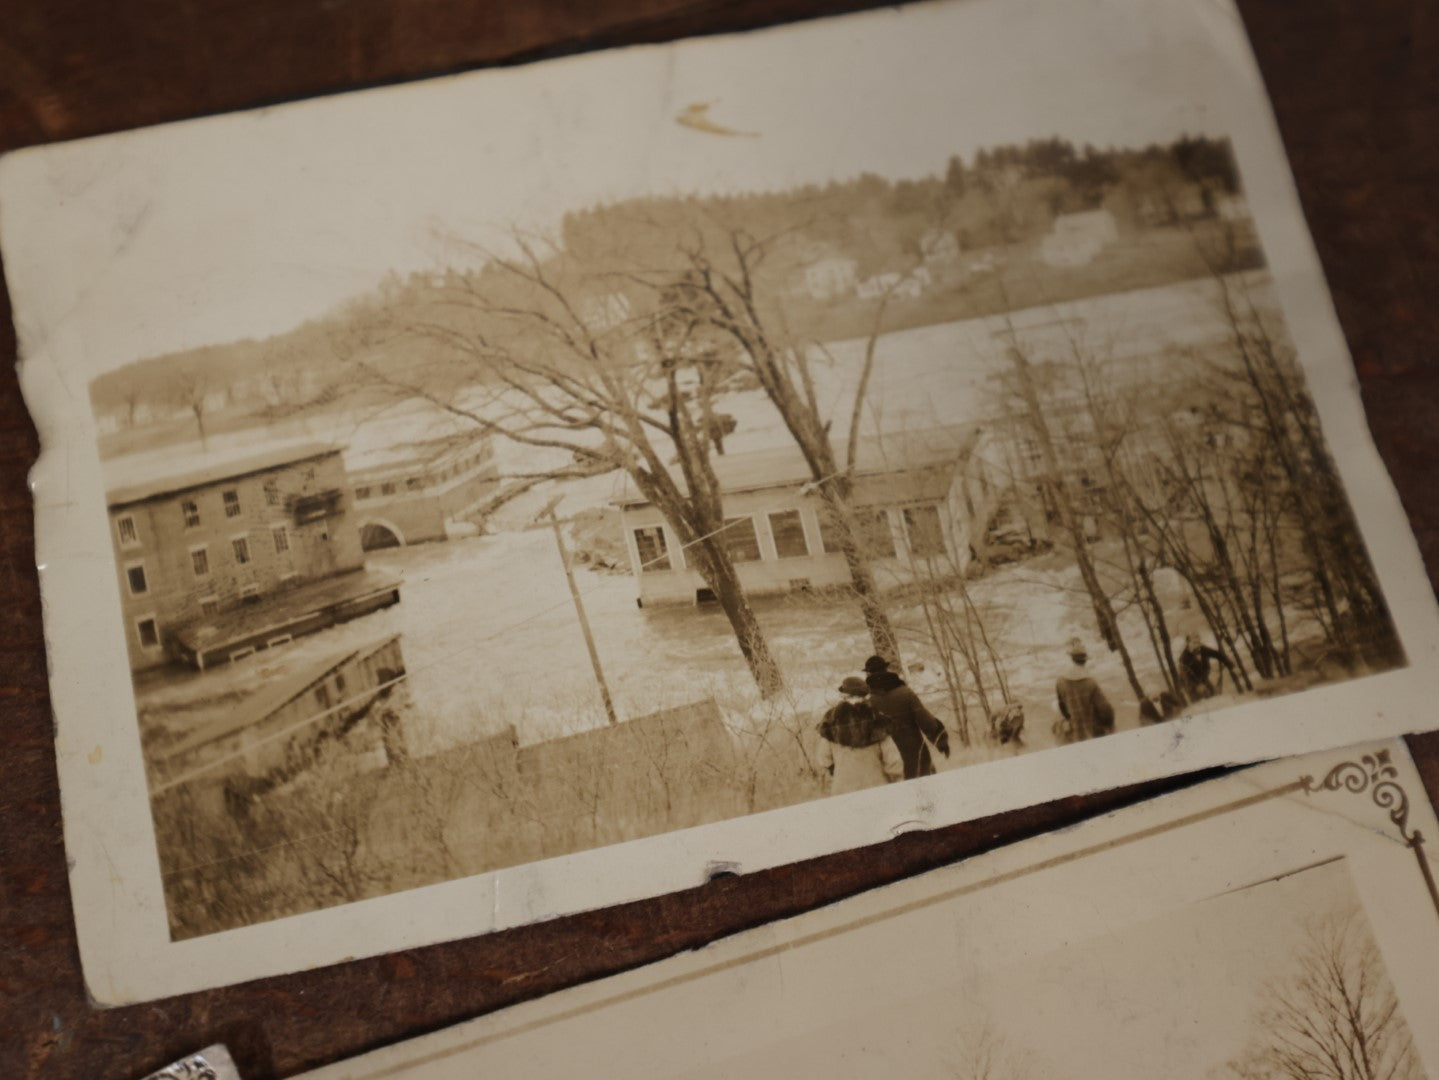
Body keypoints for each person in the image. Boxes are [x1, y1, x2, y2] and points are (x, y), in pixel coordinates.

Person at [863, 655, 951, 779]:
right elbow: (926, 722)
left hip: (889, 761)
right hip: (915, 752)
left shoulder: (868, 703)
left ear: (869, 674)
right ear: (885, 669)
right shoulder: (905, 693)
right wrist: (941, 742)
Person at [816, 676, 903, 796]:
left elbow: (823, 758)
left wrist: (836, 772)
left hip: (843, 790)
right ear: (864, 696)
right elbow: (893, 761)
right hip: (877, 788)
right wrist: (898, 782)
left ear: (844, 696)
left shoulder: (831, 721)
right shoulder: (877, 719)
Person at [1055, 637, 1115, 742]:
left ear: (1071, 659)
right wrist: (1109, 724)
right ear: (1085, 661)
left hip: (1074, 734)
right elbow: (1106, 711)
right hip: (1093, 733)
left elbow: (1063, 708)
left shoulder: (1061, 682)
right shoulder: (1090, 682)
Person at [1178, 634, 1236, 700]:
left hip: (1204, 679)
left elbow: (1218, 654)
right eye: (1194, 642)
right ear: (1188, 643)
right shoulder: (1183, 658)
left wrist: (1230, 666)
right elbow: (1186, 676)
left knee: (1214, 697)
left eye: (1198, 642)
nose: (1197, 645)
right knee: (1202, 702)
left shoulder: (1203, 649)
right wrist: (1198, 685)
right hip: (1192, 684)